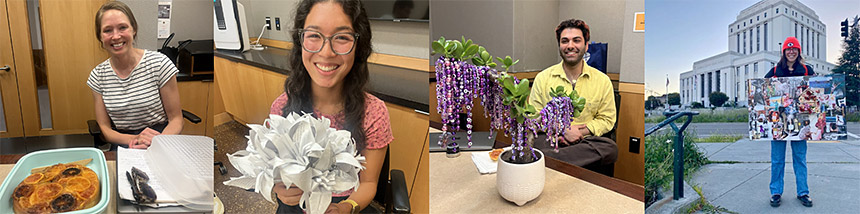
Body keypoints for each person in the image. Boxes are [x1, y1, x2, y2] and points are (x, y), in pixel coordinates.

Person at [269, 0, 393, 213]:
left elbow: (369, 183)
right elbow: (277, 171)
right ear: (300, 42)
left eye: (342, 38)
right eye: (314, 35)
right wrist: (280, 188)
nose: (326, 52)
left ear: (359, 46)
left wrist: (346, 207)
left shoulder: (374, 112)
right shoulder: (282, 108)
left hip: (349, 201)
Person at [87, 1, 182, 150]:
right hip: (124, 142)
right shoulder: (97, 76)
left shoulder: (159, 64)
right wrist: (136, 140)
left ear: (134, 29)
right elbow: (105, 129)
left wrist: (156, 142)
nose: (116, 36)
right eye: (107, 30)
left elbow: (176, 119)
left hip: (161, 137)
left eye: (122, 27)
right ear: (100, 36)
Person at [528, 19, 617, 167]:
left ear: (586, 45)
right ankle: (562, 160)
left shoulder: (603, 81)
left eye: (576, 40)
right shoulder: (543, 78)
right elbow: (534, 117)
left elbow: (607, 120)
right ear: (560, 46)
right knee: (535, 142)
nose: (570, 46)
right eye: (565, 41)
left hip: (586, 140)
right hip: (552, 138)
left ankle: (549, 160)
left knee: (610, 148)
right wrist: (562, 129)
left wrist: (580, 132)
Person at [764, 36, 815, 208]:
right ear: (784, 51)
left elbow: (816, 93)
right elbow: (764, 90)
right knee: (777, 159)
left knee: (800, 158)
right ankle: (776, 192)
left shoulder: (807, 70)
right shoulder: (775, 71)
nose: (791, 51)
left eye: (794, 49)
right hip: (779, 123)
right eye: (788, 49)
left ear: (798, 51)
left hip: (801, 123)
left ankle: (803, 192)